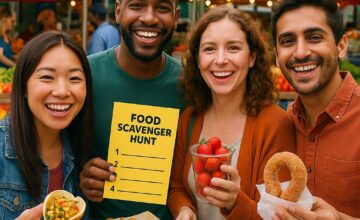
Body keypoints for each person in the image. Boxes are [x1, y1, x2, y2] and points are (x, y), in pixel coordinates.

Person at [168, 6, 295, 220]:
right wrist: (184, 208)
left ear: (252, 57)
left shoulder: (275, 124)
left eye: (233, 48)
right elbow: (177, 187)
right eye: (209, 49)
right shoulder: (189, 118)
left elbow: (280, 215)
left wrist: (236, 202)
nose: (220, 59)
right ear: (198, 60)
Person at [79, 0, 183, 219]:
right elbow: (56, 152)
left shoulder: (191, 86)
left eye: (162, 8)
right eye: (136, 5)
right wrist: (80, 177)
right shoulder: (84, 76)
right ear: (118, 10)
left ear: (176, 15)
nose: (149, 17)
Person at [271, 0, 360, 219]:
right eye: (288, 41)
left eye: (314, 37)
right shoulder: (282, 123)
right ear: (276, 54)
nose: (300, 53)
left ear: (341, 46)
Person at [0, 31, 94, 219]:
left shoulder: (85, 149)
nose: (62, 91)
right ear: (24, 86)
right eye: (47, 77)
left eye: (74, 78)